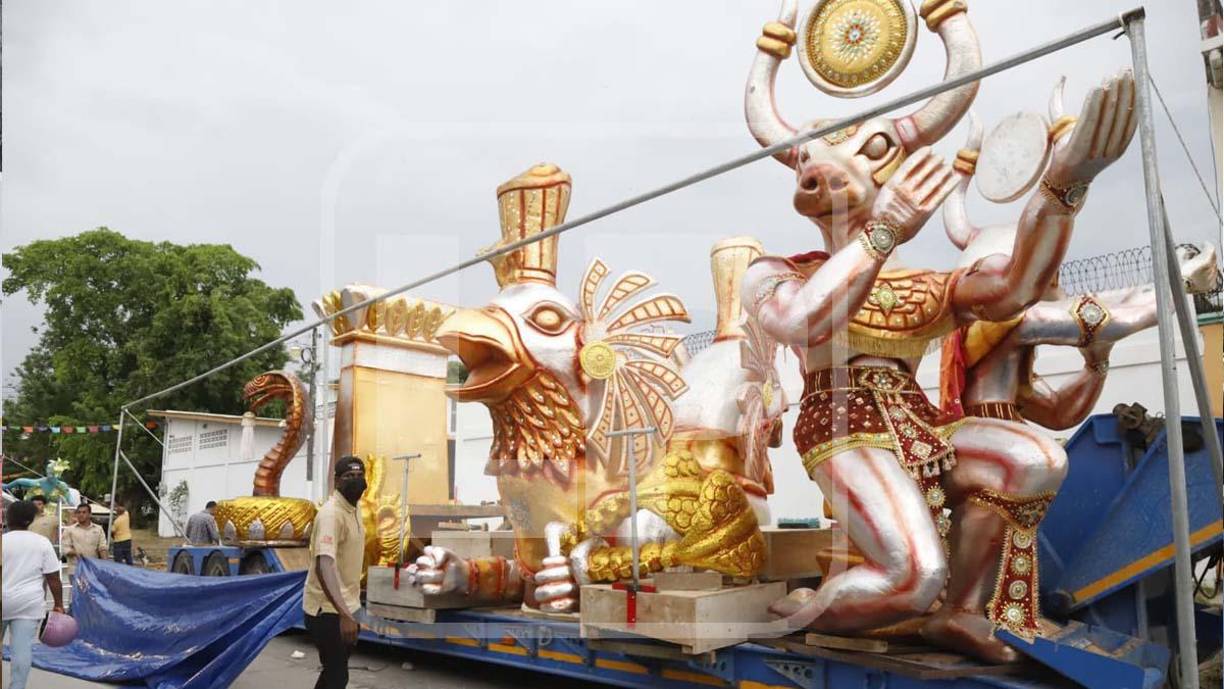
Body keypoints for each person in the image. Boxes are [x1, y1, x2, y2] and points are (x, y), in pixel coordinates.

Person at [303, 457, 367, 689]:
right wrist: (345, 615)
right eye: (349, 477)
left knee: (334, 673)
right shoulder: (332, 514)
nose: (355, 481)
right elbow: (324, 566)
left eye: (359, 475)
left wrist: (353, 610)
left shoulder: (354, 509)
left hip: (347, 606)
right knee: (338, 675)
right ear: (337, 481)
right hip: (327, 610)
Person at [3, 500, 66, 689]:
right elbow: (53, 578)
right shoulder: (41, 543)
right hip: (28, 604)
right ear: (31, 520)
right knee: (21, 651)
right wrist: (58, 604)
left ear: (8, 518)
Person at [62, 503, 108, 569]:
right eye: (79, 512)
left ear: (90, 514)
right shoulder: (69, 530)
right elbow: (65, 548)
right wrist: (76, 553)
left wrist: (106, 565)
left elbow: (102, 548)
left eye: (84, 512)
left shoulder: (98, 529)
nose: (81, 515)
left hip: (93, 568)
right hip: (75, 569)